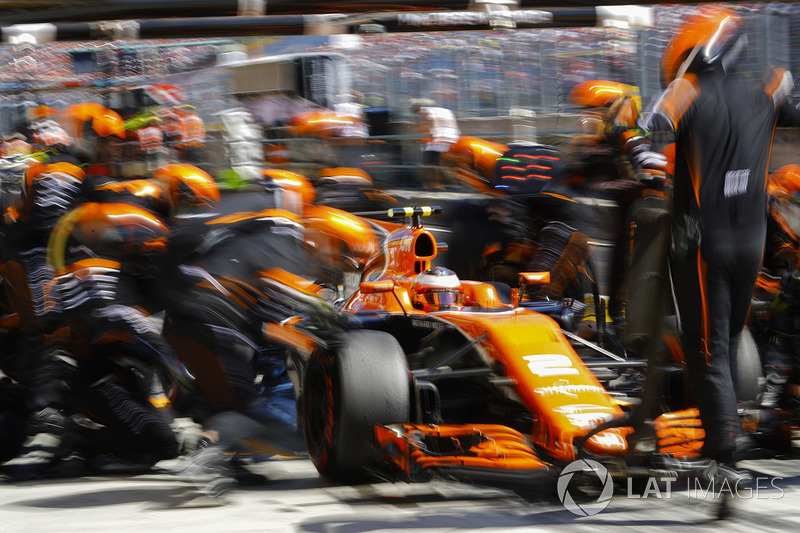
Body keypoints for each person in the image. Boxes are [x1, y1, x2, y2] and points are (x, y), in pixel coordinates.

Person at [641, 5, 800, 492]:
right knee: (729, 344)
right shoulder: (767, 89)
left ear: (690, 51)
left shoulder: (686, 90)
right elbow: (789, 99)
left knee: (706, 352)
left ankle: (723, 456)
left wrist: (645, 162)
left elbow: (653, 131)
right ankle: (730, 438)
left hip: (702, 242)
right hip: (751, 240)